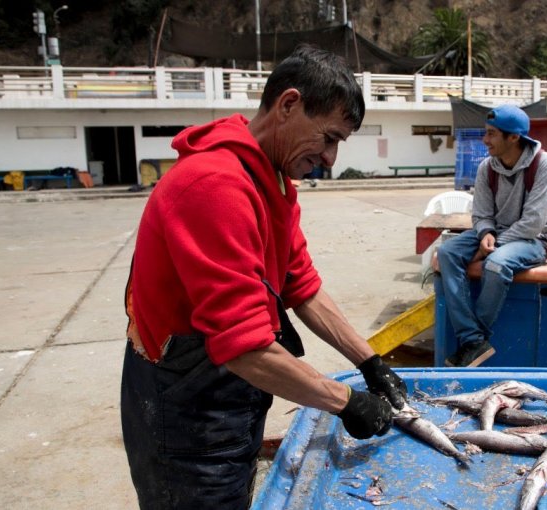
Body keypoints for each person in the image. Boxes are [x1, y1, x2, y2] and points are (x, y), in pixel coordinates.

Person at [120, 46, 408, 509]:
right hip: (185, 409)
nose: (331, 159)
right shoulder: (214, 187)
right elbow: (244, 347)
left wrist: (369, 362)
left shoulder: (272, 181)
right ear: (288, 105)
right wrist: (345, 402)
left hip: (231, 390)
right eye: (329, 138)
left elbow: (301, 286)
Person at [436, 104, 547, 367]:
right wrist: (486, 233)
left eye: (492, 134)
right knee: (447, 252)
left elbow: (533, 223)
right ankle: (473, 340)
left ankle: (472, 340)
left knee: (497, 264)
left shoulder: (545, 164)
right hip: (496, 233)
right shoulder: (486, 168)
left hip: (534, 239)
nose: (485, 140)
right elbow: (481, 214)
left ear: (513, 137)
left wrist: (491, 246)